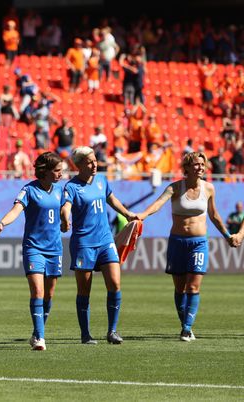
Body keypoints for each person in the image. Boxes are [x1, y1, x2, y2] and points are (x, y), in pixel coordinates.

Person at [136, 152, 238, 341]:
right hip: (177, 242)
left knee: (193, 287)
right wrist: (143, 215)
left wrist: (226, 236)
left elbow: (214, 215)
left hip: (198, 243)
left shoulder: (209, 188)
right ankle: (185, 326)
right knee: (180, 288)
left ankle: (186, 328)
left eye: (202, 165)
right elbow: (158, 204)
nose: (200, 168)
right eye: (197, 165)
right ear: (187, 168)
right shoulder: (175, 187)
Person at [60, 146, 136, 345]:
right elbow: (66, 207)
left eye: (95, 160)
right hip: (84, 243)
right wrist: (65, 219)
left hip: (105, 240)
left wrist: (128, 214)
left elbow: (112, 200)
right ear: (79, 165)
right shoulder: (71, 187)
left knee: (115, 284)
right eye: (90, 162)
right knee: (84, 291)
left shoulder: (102, 181)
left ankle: (112, 331)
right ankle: (85, 334)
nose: (95, 164)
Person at [0, 152, 64, 350]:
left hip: (55, 248)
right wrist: (1, 224)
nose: (61, 174)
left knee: (49, 294)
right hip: (34, 247)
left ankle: (36, 333)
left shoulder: (60, 191)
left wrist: (66, 219)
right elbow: (16, 211)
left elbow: (62, 211)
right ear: (45, 171)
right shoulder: (29, 190)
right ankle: (41, 337)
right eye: (57, 170)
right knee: (38, 291)